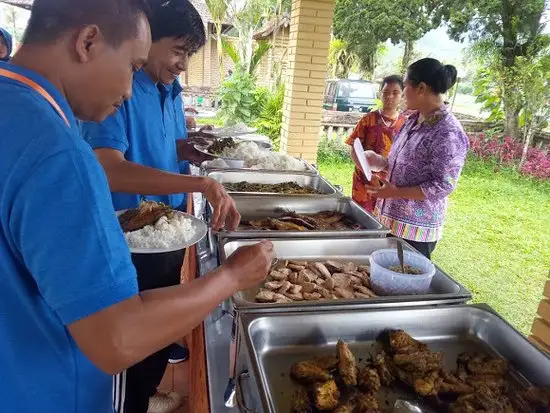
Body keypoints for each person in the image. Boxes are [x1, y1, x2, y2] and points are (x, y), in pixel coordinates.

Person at [0, 2, 274, 413]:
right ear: (87, 41)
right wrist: (232, 276)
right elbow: (118, 337)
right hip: (50, 389)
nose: (130, 89)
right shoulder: (59, 152)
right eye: (131, 66)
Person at [80, 1, 235, 412]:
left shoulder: (170, 89)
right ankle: (127, 402)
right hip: (131, 242)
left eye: (189, 55)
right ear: (147, 38)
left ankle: (145, 396)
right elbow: (110, 168)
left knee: (155, 342)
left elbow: (159, 151)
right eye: (177, 50)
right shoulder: (119, 90)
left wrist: (189, 150)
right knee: (129, 346)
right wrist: (199, 182)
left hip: (169, 235)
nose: (182, 64)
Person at [366, 58, 468, 259]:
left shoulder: (448, 132)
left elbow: (443, 185)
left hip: (416, 229)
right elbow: (404, 162)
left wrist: (395, 193)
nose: (403, 93)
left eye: (406, 86)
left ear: (421, 88)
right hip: (390, 218)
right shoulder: (412, 119)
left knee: (407, 284)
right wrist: (379, 161)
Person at [346, 75, 406, 213]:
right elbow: (355, 149)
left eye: (395, 93)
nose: (390, 96)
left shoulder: (405, 124)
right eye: (386, 92)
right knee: (361, 218)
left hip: (389, 183)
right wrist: (369, 175)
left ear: (402, 96)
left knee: (384, 219)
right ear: (381, 94)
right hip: (364, 179)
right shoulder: (368, 119)